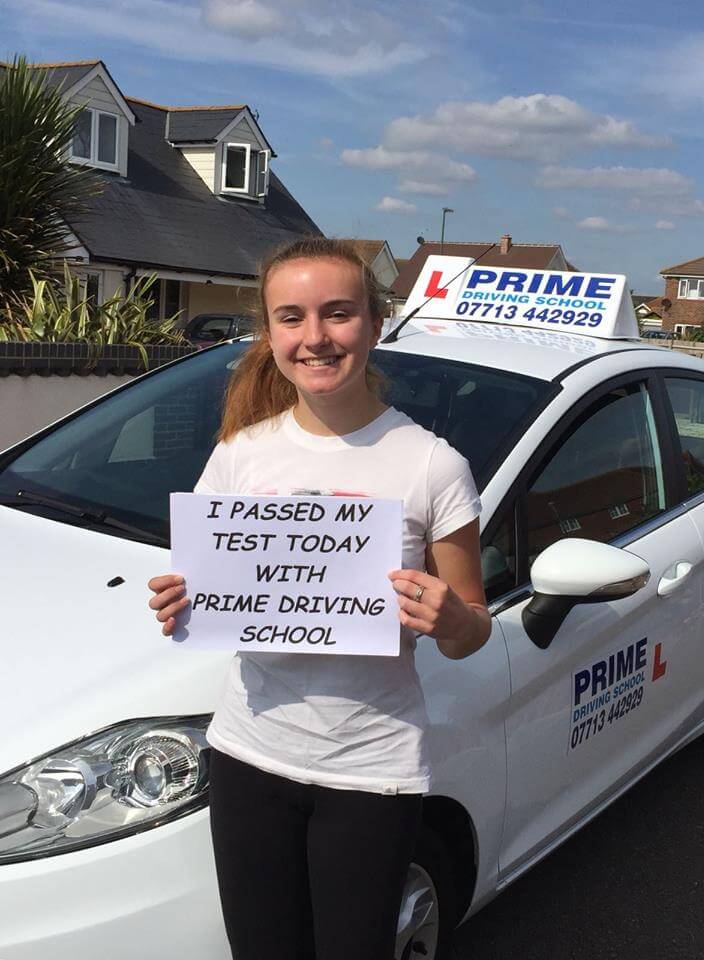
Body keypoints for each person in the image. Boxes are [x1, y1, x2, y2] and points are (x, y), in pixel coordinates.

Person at [147, 237, 490, 960]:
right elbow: (213, 585)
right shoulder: (239, 453)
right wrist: (181, 599)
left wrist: (453, 619)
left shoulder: (433, 465)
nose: (316, 337)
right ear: (270, 332)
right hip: (247, 752)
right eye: (292, 317)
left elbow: (471, 629)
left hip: (370, 768)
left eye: (338, 313)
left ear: (374, 322)